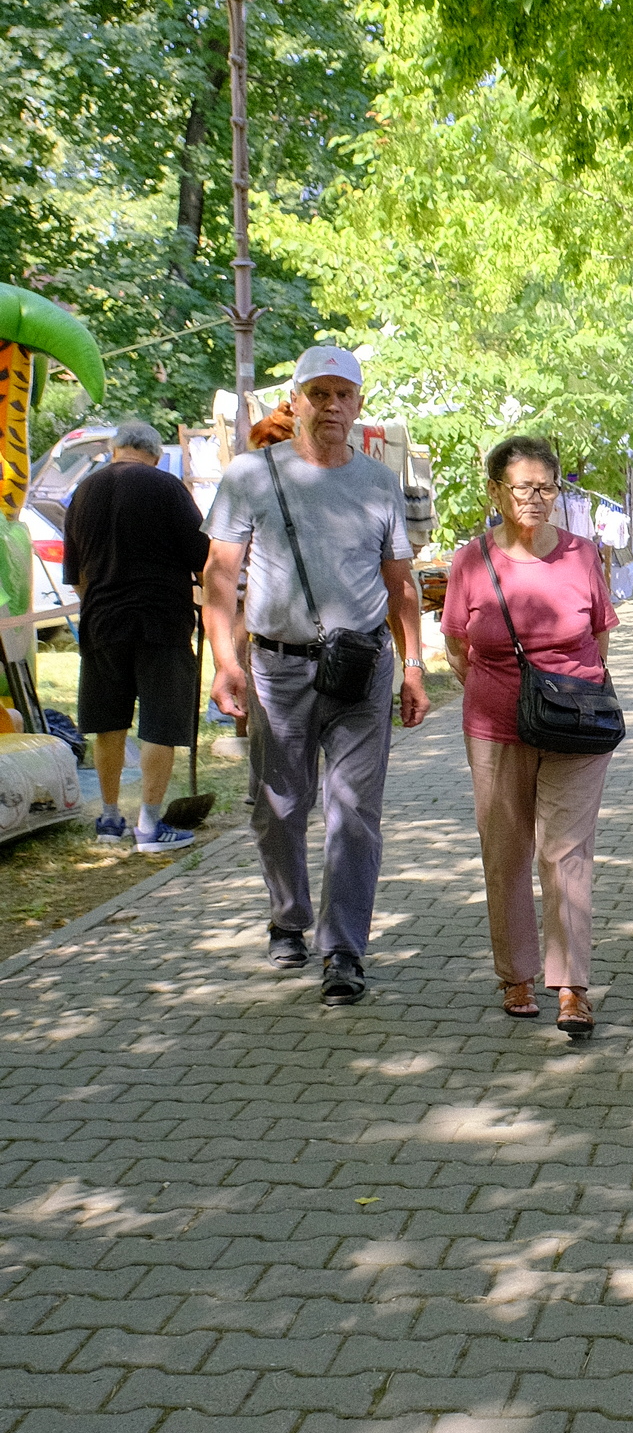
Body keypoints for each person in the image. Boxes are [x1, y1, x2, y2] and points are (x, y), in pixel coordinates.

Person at [203, 346, 430, 1004]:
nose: (332, 406)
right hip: (277, 666)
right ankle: (288, 917)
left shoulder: (379, 481)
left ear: (359, 405)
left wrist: (412, 665)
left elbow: (401, 585)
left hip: (361, 666)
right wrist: (225, 662)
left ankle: (343, 950)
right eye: (319, 393)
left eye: (344, 394)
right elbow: (219, 578)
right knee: (278, 807)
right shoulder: (251, 475)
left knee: (354, 812)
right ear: (296, 400)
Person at [443, 435, 619, 1038]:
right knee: (506, 850)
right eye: (523, 487)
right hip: (495, 726)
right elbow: (457, 647)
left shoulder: (582, 555)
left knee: (565, 852)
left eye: (547, 487)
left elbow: (599, 635)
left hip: (575, 723)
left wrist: (565, 690)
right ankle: (515, 973)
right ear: (495, 490)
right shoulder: (471, 560)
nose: (536, 498)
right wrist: (509, 693)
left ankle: (572, 985)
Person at [62, 418, 209, 852]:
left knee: (108, 723)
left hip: (102, 621)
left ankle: (109, 818)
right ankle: (149, 824)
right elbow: (203, 558)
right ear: (155, 453)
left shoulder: (83, 493)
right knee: (160, 722)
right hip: (160, 621)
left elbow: (76, 577)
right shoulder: (167, 488)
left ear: (114, 450)